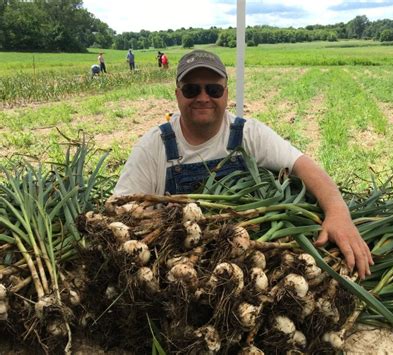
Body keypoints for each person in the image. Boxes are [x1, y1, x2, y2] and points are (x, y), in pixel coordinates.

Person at [114, 49, 373, 279]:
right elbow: (119, 210)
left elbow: (302, 165)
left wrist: (338, 213)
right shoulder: (154, 145)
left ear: (226, 93)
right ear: (178, 95)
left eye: (213, 89)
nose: (203, 97)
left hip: (239, 268)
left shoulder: (247, 134)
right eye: (192, 89)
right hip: (177, 270)